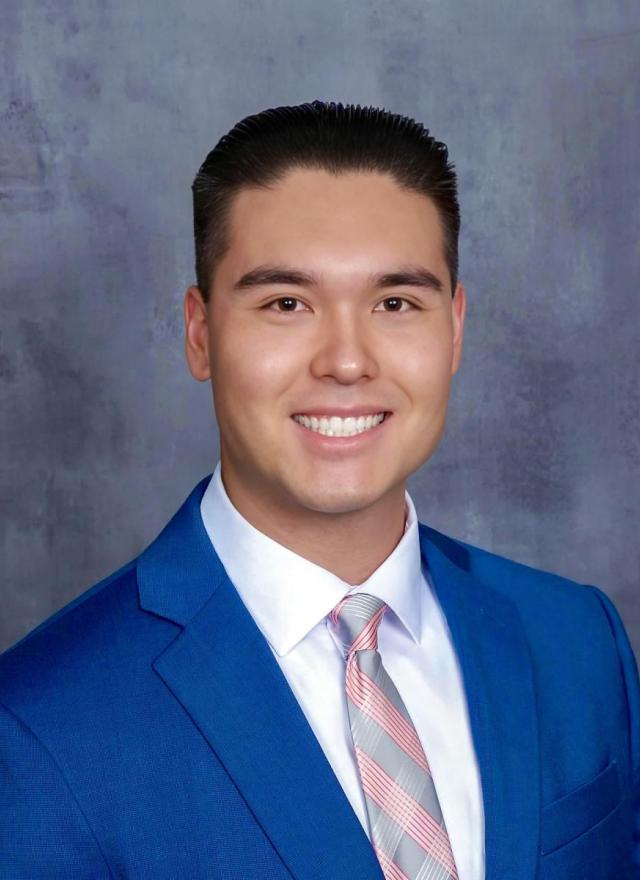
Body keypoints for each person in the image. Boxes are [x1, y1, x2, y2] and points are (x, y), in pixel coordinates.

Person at [0, 100, 637, 880]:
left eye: (395, 303)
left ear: (456, 328)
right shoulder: (39, 725)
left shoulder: (577, 641)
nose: (346, 360)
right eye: (286, 304)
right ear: (200, 334)